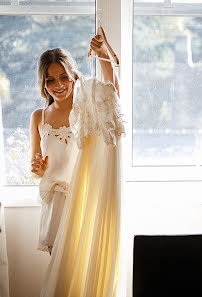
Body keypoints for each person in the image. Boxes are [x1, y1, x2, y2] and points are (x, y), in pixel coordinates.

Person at [29, 34, 119, 254]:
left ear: (73, 76)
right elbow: (36, 165)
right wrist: (38, 168)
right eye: (50, 80)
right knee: (57, 269)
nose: (58, 85)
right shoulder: (38, 117)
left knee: (82, 266)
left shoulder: (86, 107)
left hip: (85, 197)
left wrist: (104, 56)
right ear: (43, 83)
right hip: (56, 202)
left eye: (64, 77)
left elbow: (113, 95)